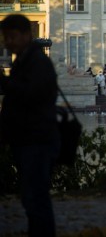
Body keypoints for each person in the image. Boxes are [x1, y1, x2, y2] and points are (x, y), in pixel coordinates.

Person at [0, 14, 59, 236]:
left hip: (37, 140)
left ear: (27, 35)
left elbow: (33, 95)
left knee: (36, 198)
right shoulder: (24, 60)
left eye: (13, 37)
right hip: (28, 139)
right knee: (31, 198)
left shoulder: (37, 62)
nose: (9, 42)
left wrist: (4, 82)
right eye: (6, 38)